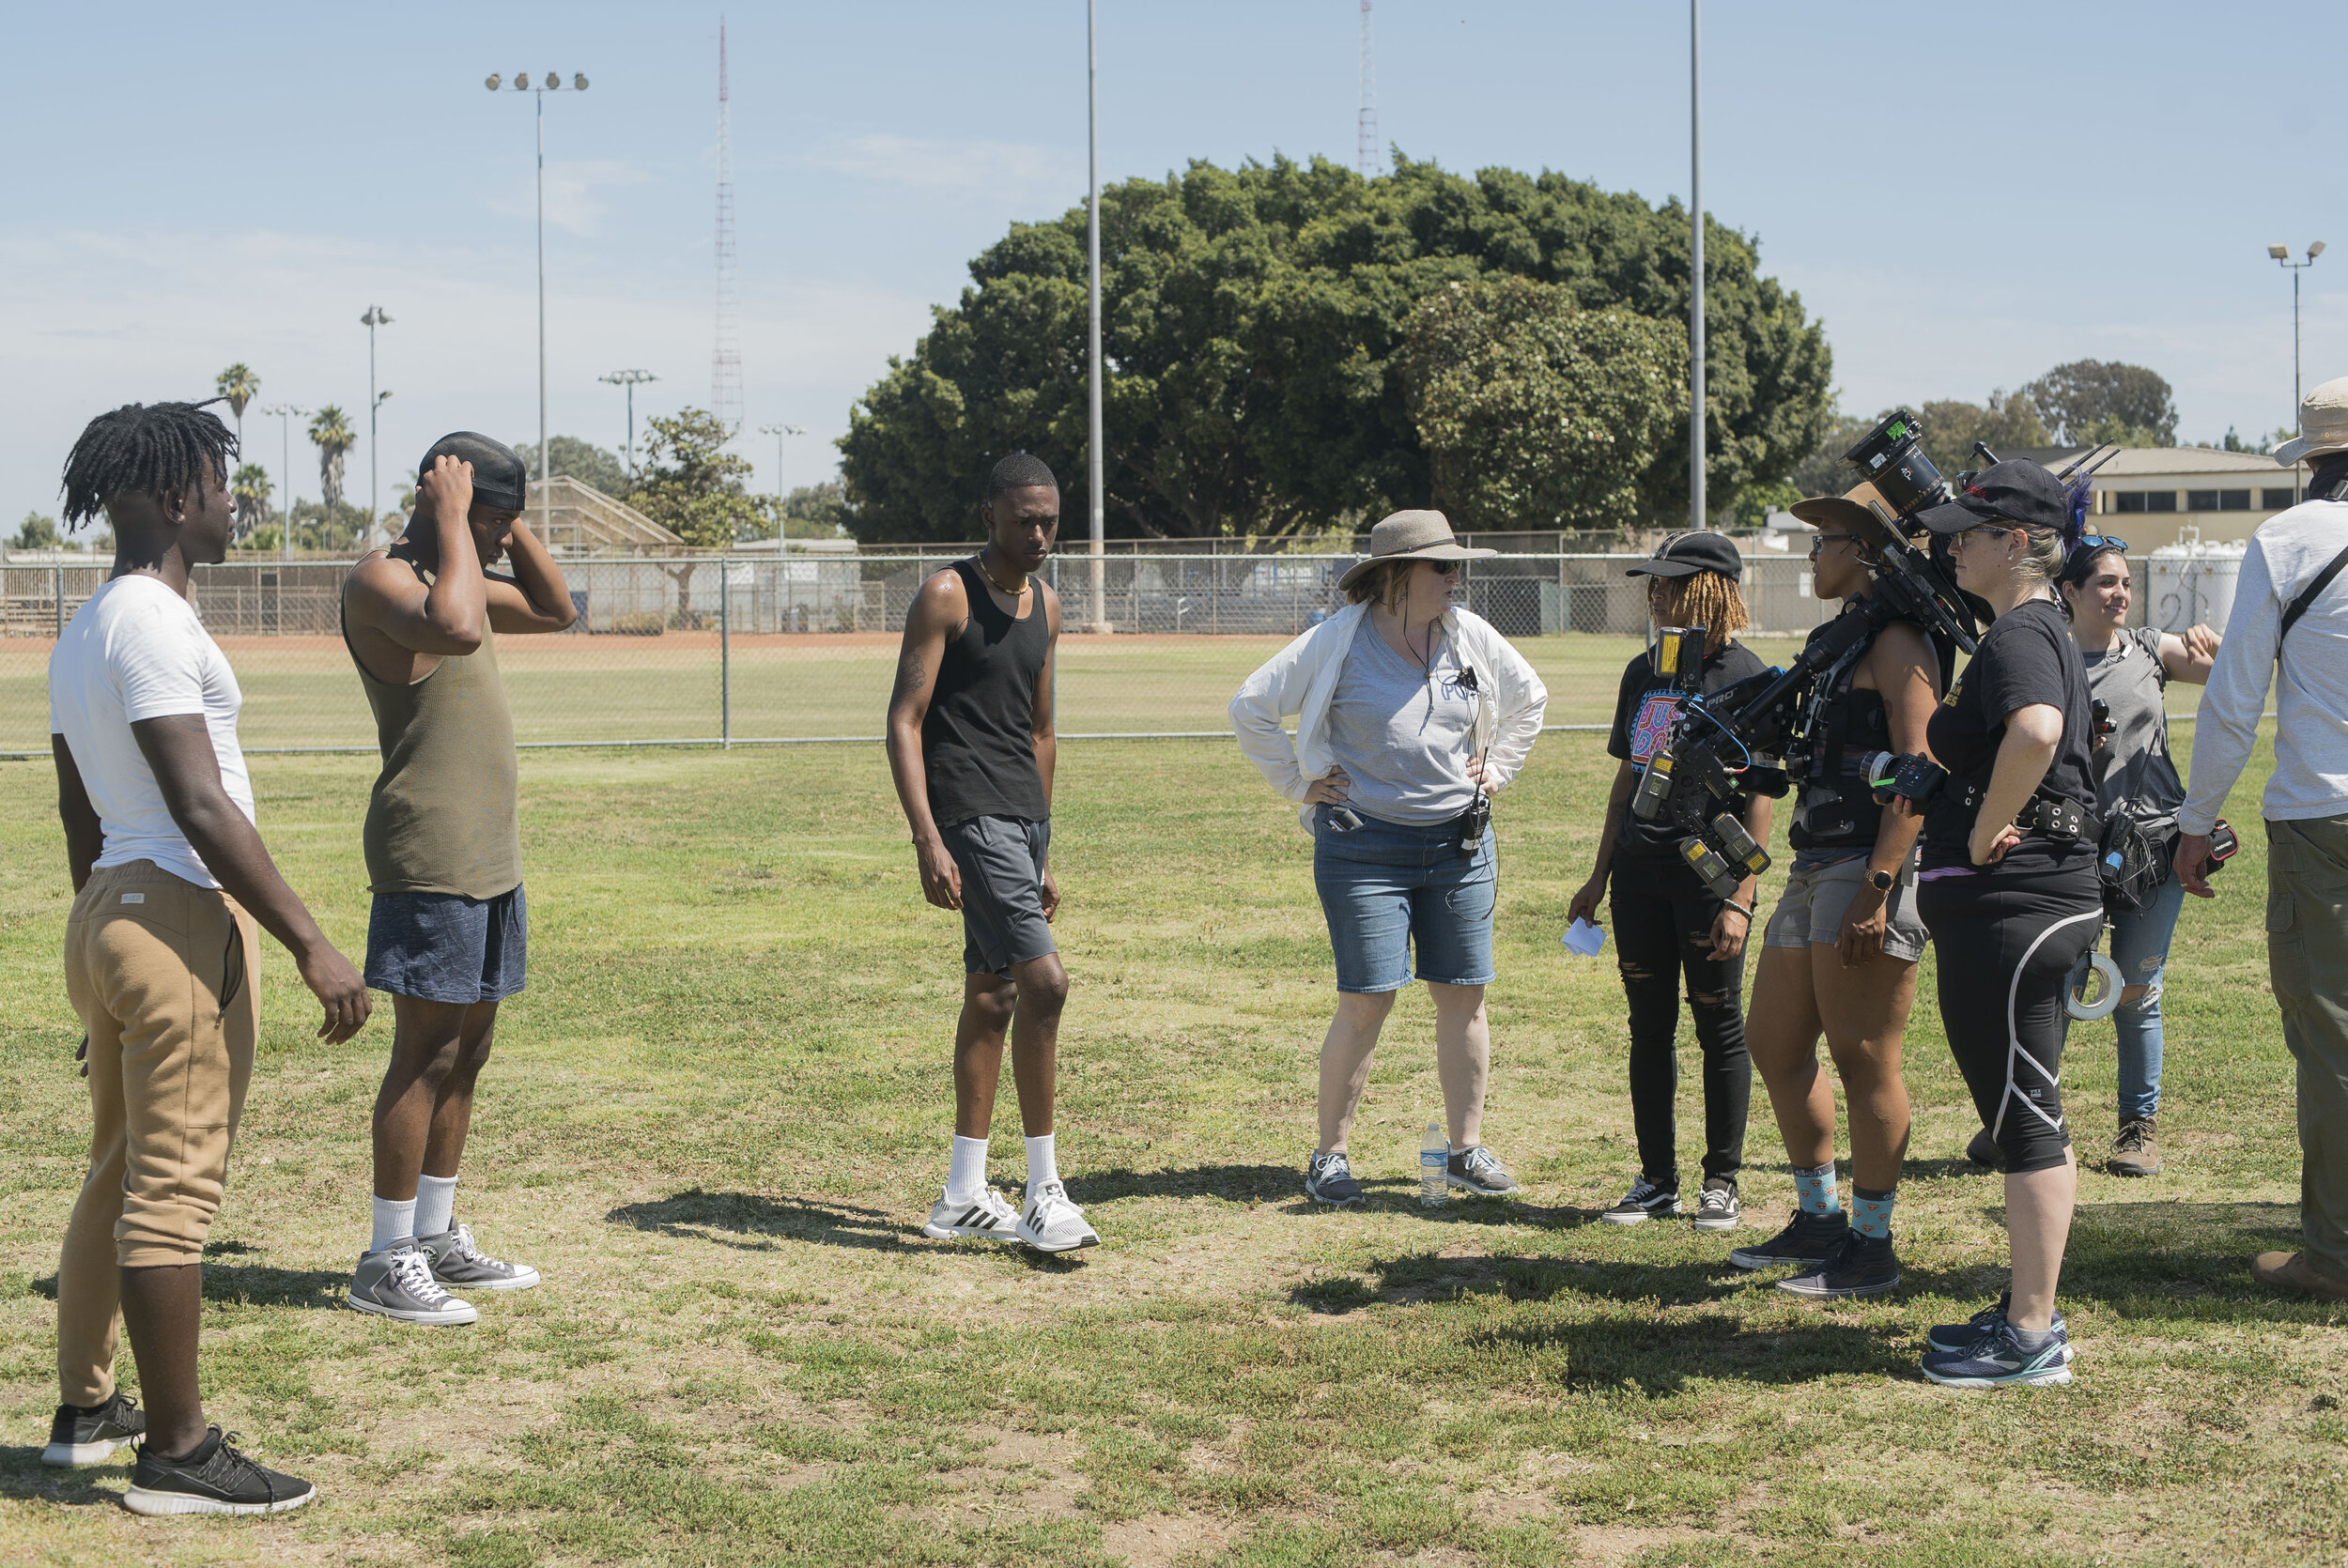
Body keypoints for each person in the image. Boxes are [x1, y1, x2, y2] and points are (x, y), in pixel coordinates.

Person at [46, 401, 371, 1514]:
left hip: (112, 908)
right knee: (172, 1193)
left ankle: (87, 1408)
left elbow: (78, 813)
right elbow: (198, 799)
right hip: (175, 912)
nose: (237, 501)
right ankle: (179, 1451)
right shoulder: (150, 619)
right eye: (224, 484)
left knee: (119, 1168)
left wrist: (104, 950)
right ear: (178, 494)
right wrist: (312, 940)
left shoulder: (88, 622)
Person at [1230, 511, 1548, 1207]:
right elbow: (1251, 705)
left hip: (1460, 845)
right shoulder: (1338, 639)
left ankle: (1464, 1151)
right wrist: (1295, 781)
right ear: (1397, 575)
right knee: (1366, 999)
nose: (1455, 578)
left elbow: (1530, 699)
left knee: (1464, 996)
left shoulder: (1470, 635)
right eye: (1442, 567)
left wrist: (1497, 768)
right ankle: (1330, 1160)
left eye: (1456, 565)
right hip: (1362, 846)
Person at [340, 436, 576, 1325]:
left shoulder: (463, 570)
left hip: (488, 852)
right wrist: (450, 518)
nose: (494, 541)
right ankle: (384, 1255)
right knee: (425, 1052)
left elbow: (556, 611)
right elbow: (459, 627)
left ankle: (434, 1236)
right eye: (490, 521)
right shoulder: (387, 581)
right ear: (441, 497)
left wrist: (506, 530)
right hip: (427, 850)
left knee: (469, 1050)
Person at [1905, 460, 2101, 1388]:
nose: (1951, 545)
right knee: (2021, 1109)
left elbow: (2034, 729)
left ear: (2016, 545)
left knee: (2026, 1116)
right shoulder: (2028, 625)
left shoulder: (2022, 628)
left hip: (2016, 906)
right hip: (2014, 907)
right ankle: (2026, 1309)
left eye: (1969, 533)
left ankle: (2030, 1335)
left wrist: (1984, 829)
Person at [1733, 488, 1942, 1297]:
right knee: (1775, 1043)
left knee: (1864, 1059)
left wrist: (1881, 888)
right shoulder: (1836, 640)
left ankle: (1871, 1242)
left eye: (1822, 541)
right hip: (1813, 860)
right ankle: (1819, 1217)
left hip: (1865, 866)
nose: (1811, 554)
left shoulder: (1898, 644)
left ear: (1865, 550)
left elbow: (1920, 770)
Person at [886, 453, 1097, 1253]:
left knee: (994, 995)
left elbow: (1041, 730)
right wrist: (927, 837)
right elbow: (905, 719)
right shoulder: (947, 594)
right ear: (990, 518)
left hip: (1021, 820)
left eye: (1049, 520)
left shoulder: (1047, 603)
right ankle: (1046, 1192)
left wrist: (1042, 845)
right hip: (968, 814)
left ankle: (962, 1196)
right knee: (1046, 983)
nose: (1039, 534)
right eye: (1023, 521)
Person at [2173, 377, 2348, 1304]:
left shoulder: (2287, 539)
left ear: (2310, 456)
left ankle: (2333, 1249)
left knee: (2329, 1037)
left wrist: (2196, 821)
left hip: (2321, 815)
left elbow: (2234, 698)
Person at [1568, 532, 1769, 1232]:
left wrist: (1742, 898)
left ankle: (1722, 1182)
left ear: (1709, 590)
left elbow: (1761, 800)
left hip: (1708, 880)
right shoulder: (1644, 671)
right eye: (1653, 586)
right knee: (1648, 1027)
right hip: (1638, 876)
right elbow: (1628, 775)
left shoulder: (1751, 676)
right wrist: (1598, 875)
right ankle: (1657, 1181)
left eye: (1668, 585)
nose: (1654, 597)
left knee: (1719, 1025)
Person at [2058, 540, 2218, 1177]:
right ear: (2069, 591)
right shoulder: (2048, 658)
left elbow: (2232, 666)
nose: (2120, 593)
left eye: (2126, 582)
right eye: (2104, 583)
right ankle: (2028, 1121)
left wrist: (2215, 636)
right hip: (2069, 846)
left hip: (2153, 845)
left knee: (2137, 992)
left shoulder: (2150, 648)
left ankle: (2138, 1130)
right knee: (2057, 986)